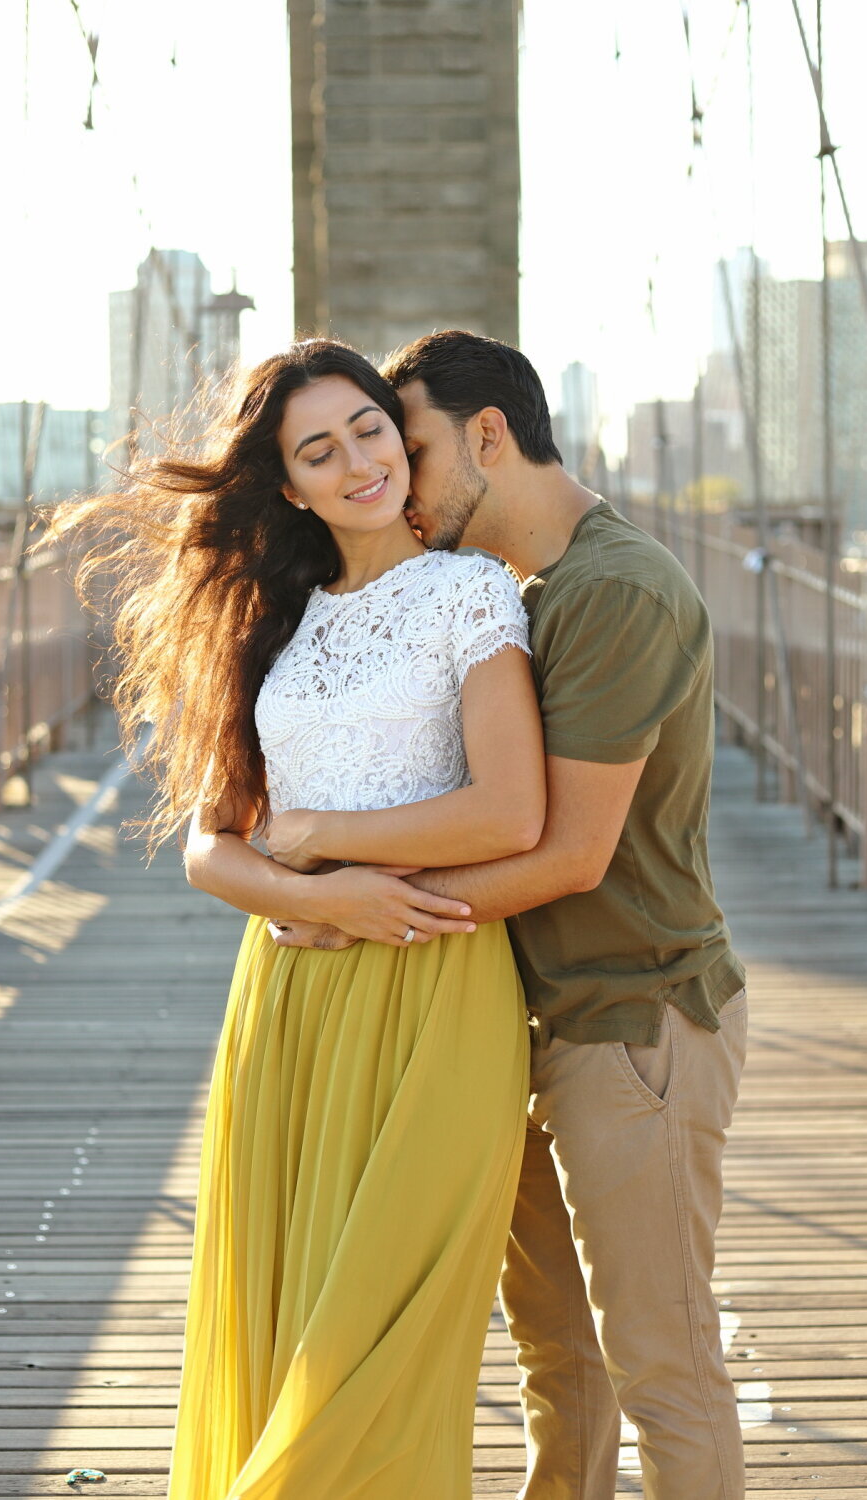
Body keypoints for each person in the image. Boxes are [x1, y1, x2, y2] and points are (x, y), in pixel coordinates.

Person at [46, 339, 547, 1500]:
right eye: (318, 451)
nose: (357, 461)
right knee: (288, 1336)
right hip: (290, 999)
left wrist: (323, 837)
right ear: (288, 486)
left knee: (377, 1352)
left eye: (370, 429)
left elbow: (510, 809)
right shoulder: (277, 622)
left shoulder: (469, 592)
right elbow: (212, 846)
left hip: (433, 986)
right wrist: (311, 892)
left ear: (401, 433)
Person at [271, 330, 749, 1500]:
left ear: (487, 437)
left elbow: (571, 854)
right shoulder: (515, 592)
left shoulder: (616, 591)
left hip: (631, 1026)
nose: (392, 477)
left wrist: (353, 913)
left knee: (663, 1371)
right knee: (561, 1366)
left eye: (407, 442)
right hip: (512, 1024)